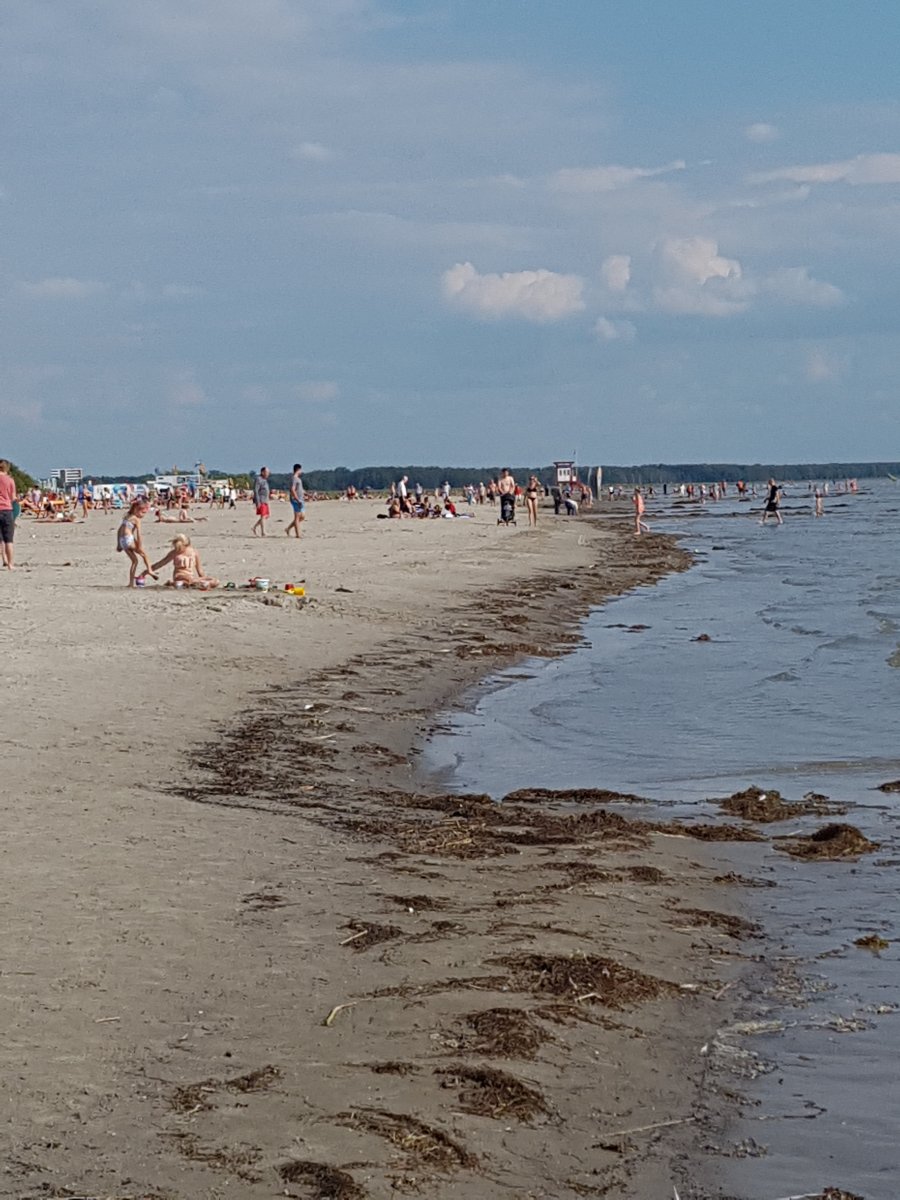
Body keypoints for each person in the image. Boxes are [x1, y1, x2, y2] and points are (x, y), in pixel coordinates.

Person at [152, 535, 219, 589]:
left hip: (191, 578)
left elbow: (200, 570)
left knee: (215, 581)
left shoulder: (194, 552)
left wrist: (203, 580)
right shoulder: (175, 553)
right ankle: (177, 583)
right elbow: (161, 563)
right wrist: (148, 571)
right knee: (182, 581)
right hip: (180, 576)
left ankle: (195, 584)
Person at [116, 499, 154, 587]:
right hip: (129, 539)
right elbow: (138, 534)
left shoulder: (127, 517)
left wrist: (119, 544)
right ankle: (150, 570)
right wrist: (139, 545)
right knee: (144, 555)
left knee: (134, 561)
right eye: (143, 513)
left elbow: (119, 530)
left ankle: (131, 583)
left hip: (122, 540)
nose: (143, 515)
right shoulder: (136, 519)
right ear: (136, 509)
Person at [0, 459, 17, 570]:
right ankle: (10, 564)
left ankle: (4, 560)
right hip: (6, 509)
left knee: (0, 539)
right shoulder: (10, 480)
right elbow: (13, 497)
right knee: (8, 539)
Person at [285, 463, 305, 538]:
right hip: (296, 500)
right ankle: (298, 534)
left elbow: (300, 489)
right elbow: (292, 489)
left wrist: (306, 494)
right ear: (298, 470)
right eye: (300, 470)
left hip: (301, 499)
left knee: (302, 516)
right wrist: (297, 499)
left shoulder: (298, 479)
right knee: (297, 517)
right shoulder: (294, 478)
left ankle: (288, 528)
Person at [252, 467, 271, 537]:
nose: (268, 474)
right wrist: (257, 502)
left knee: (267, 515)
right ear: (262, 472)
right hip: (261, 500)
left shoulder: (265, 480)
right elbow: (256, 490)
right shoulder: (258, 479)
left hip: (266, 500)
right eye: (267, 472)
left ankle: (254, 527)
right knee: (263, 516)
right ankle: (263, 532)